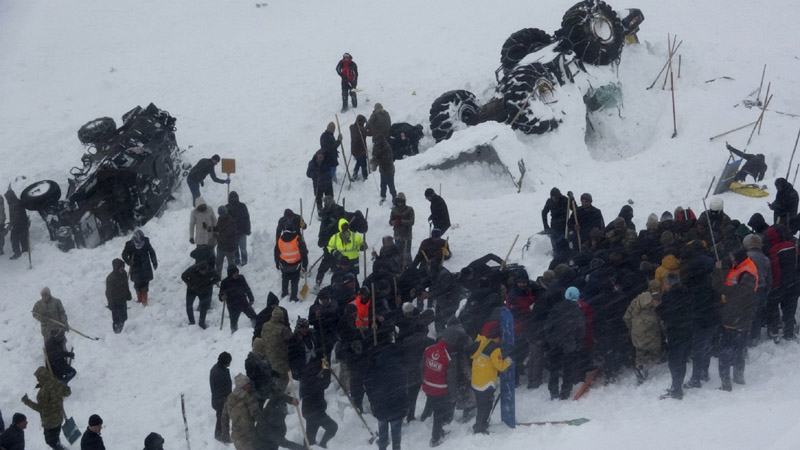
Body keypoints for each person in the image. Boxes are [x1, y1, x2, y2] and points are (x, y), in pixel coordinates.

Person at [713, 247, 759, 391]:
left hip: (734, 317)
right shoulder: (743, 267)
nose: (731, 259)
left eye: (733, 257)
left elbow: (725, 288)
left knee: (726, 351)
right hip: (743, 318)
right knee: (739, 350)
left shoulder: (746, 274)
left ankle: (726, 382)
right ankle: (738, 377)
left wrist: (718, 273)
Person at [365, 334, 408, 450]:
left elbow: (368, 384)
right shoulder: (398, 364)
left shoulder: (373, 362)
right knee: (396, 438)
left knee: (383, 436)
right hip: (397, 404)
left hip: (381, 404)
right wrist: (405, 404)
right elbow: (404, 384)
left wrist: (372, 400)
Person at [655, 273, 693, 400]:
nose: (664, 286)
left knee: (674, 361)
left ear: (669, 283)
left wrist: (658, 307)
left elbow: (668, 315)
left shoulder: (670, 296)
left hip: (676, 331)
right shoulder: (685, 291)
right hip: (686, 329)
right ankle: (677, 386)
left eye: (665, 283)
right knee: (681, 359)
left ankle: (676, 389)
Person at [469, 321, 511, 434]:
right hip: (486, 383)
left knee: (481, 406)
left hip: (476, 381)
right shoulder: (494, 348)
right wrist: (509, 360)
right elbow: (500, 366)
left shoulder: (480, 342)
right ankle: (479, 427)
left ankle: (481, 423)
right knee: (485, 407)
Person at [544, 287, 586, 400]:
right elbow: (580, 329)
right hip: (569, 344)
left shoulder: (556, 308)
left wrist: (550, 340)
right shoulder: (577, 311)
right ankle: (565, 391)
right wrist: (578, 343)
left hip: (555, 343)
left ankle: (553, 391)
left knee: (554, 369)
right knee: (568, 369)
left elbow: (548, 327)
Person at [623, 279, 664, 384]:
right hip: (652, 330)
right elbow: (661, 318)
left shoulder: (637, 300)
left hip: (637, 329)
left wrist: (632, 328)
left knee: (640, 350)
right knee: (655, 351)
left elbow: (627, 316)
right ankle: (647, 365)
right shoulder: (658, 300)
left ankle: (640, 366)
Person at [422, 334, 458, 447]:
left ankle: (428, 421)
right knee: (439, 414)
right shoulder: (448, 356)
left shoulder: (428, 349)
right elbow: (451, 379)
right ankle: (435, 439)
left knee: (432, 406)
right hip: (440, 390)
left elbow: (421, 367)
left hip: (428, 386)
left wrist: (425, 380)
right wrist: (453, 395)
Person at [21, 366, 71, 450]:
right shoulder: (57, 383)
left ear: (41, 377)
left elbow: (41, 409)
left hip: (49, 422)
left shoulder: (42, 393)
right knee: (55, 437)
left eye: (38, 378)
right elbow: (68, 392)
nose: (37, 380)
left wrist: (27, 401)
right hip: (59, 417)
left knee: (50, 441)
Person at [300, 354, 338, 448]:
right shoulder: (310, 376)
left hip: (312, 411)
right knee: (332, 427)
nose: (322, 372)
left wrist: (325, 366)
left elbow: (325, 381)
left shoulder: (314, 371)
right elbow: (322, 384)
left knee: (310, 438)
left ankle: (312, 446)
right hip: (314, 411)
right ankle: (322, 446)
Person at [221, 374, 260, 450]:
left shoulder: (229, 398)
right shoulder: (248, 397)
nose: (249, 386)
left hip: (236, 436)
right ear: (241, 385)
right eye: (247, 384)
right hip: (248, 437)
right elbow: (257, 417)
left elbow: (224, 417)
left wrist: (225, 433)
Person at [121, 229, 158, 306]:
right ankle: (139, 298)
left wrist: (154, 262)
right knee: (137, 283)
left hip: (145, 266)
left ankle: (144, 300)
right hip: (135, 267)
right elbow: (124, 255)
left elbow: (151, 252)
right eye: (140, 238)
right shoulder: (129, 245)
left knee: (145, 283)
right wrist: (129, 262)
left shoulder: (146, 242)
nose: (142, 239)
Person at [261, 307, 293, 392]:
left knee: (273, 375)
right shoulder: (283, 329)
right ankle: (278, 396)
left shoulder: (265, 325)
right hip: (280, 358)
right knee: (283, 377)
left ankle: (272, 390)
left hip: (268, 356)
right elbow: (292, 338)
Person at [181, 262, 221, 329]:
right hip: (192, 290)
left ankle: (202, 322)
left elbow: (218, 277)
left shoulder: (210, 270)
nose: (203, 272)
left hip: (203, 290)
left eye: (204, 271)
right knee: (189, 306)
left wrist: (210, 284)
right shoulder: (192, 269)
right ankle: (192, 322)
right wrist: (190, 285)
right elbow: (183, 276)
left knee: (204, 307)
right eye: (201, 271)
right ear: (198, 269)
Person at [274, 228, 309, 302]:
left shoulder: (280, 240)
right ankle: (293, 297)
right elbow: (304, 253)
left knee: (285, 279)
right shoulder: (297, 239)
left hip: (284, 265)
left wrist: (277, 262)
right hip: (295, 264)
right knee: (295, 280)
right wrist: (305, 264)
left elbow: (276, 252)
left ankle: (284, 293)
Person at [219, 266, 257, 333]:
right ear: (230, 274)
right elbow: (221, 294)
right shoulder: (224, 282)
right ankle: (234, 335)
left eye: (237, 272)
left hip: (243, 302)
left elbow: (247, 288)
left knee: (254, 316)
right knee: (233, 322)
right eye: (235, 273)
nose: (236, 274)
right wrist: (222, 297)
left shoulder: (241, 278)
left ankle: (256, 329)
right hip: (232, 305)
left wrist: (251, 298)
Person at [210, 352, 233, 443]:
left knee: (221, 419)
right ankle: (222, 437)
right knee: (222, 420)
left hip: (219, 401)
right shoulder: (219, 373)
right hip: (221, 402)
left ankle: (220, 436)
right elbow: (223, 390)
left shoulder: (218, 369)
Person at [105, 258, 132, 333]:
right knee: (117, 318)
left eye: (123, 267)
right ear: (116, 268)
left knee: (124, 316)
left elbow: (126, 285)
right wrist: (110, 303)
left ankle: (123, 328)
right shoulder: (110, 278)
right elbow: (108, 293)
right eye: (120, 267)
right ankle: (116, 331)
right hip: (115, 302)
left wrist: (128, 294)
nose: (122, 269)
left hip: (123, 300)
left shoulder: (124, 274)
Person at [541, 187, 569, 257]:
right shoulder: (549, 202)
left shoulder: (565, 200)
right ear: (552, 197)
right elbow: (544, 212)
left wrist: (572, 199)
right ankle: (556, 259)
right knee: (555, 246)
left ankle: (565, 259)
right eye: (555, 198)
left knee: (564, 246)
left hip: (564, 227)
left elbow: (575, 209)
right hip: (554, 227)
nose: (557, 199)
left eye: (558, 197)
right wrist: (546, 226)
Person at [246, 338, 275, 404]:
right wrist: (255, 393)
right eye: (262, 346)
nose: (264, 348)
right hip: (260, 391)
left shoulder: (263, 356)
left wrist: (273, 373)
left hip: (268, 387)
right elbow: (251, 378)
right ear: (258, 347)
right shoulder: (251, 361)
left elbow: (267, 370)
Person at [227, 191, 251, 266]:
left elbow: (247, 218)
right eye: (232, 198)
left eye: (235, 197)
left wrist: (248, 229)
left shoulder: (242, 206)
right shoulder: (227, 207)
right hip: (232, 232)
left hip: (242, 231)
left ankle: (244, 261)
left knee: (243, 248)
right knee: (235, 248)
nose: (234, 199)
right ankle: (237, 261)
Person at [389, 192, 415, 266]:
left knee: (407, 254)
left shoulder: (409, 210)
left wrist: (401, 221)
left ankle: (411, 269)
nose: (399, 203)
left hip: (407, 235)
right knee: (399, 254)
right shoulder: (394, 210)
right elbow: (390, 222)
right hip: (397, 235)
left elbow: (411, 222)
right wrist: (395, 222)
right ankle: (400, 269)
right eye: (398, 202)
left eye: (401, 202)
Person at [4, 188, 29, 260]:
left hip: (19, 224)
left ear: (10, 197)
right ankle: (24, 251)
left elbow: (16, 217)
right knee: (22, 239)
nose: (7, 200)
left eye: (7, 198)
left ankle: (18, 253)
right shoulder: (16, 201)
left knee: (14, 239)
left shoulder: (14, 204)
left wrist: (10, 225)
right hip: (22, 223)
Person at [215, 206, 237, 276]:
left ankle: (232, 279)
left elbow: (227, 234)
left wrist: (217, 236)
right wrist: (210, 228)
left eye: (222, 214)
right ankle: (217, 279)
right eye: (220, 214)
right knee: (218, 264)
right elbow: (218, 228)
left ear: (225, 213)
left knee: (231, 266)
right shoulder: (220, 219)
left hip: (229, 248)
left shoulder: (230, 221)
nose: (221, 216)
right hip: (221, 247)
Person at [350, 115, 369, 181]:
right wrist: (368, 126)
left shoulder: (352, 127)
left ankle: (355, 174)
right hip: (361, 150)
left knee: (358, 161)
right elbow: (368, 133)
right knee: (363, 164)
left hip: (354, 150)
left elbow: (352, 127)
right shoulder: (362, 130)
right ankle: (365, 176)